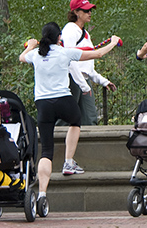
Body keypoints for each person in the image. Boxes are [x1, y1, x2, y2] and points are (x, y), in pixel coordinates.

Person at [20, 22, 120, 214]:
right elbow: (97, 54)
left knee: (46, 151)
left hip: (43, 104)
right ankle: (68, 161)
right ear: (59, 38)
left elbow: (21, 57)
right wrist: (113, 42)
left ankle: (42, 194)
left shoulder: (36, 54)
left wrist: (31, 45)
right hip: (63, 100)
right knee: (76, 121)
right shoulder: (65, 52)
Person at [62, 0, 116, 126]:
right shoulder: (70, 30)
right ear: (76, 12)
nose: (89, 13)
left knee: (90, 119)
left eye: (90, 10)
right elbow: (69, 61)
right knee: (65, 119)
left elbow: (87, 67)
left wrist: (103, 81)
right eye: (86, 11)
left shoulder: (85, 33)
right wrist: (82, 84)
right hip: (72, 80)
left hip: (83, 80)